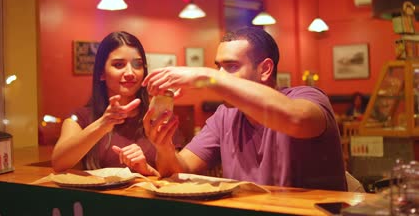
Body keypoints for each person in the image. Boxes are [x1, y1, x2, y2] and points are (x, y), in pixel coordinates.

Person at [142, 27, 347, 191]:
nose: (221, 75)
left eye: (231, 66)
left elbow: (297, 119)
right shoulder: (225, 115)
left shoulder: (308, 96)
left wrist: (207, 77)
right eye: (218, 67)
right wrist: (164, 147)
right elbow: (181, 169)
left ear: (265, 69)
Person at [51, 31, 180, 176]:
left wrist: (147, 170)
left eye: (137, 64)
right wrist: (103, 124)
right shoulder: (81, 118)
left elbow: (174, 177)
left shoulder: (157, 117)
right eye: (119, 64)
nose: (130, 72)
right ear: (101, 73)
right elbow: (59, 163)